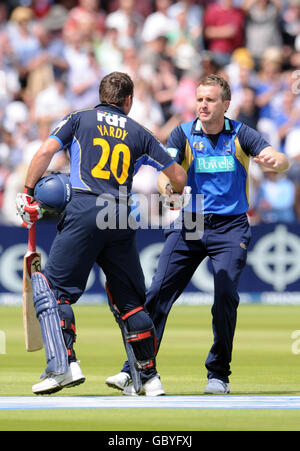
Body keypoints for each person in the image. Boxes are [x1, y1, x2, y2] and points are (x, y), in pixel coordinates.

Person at [106, 74, 290, 395]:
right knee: (158, 295)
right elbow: (168, 173)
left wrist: (279, 161)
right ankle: (135, 369)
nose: (203, 105)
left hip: (231, 225)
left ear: (225, 104)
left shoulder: (241, 134)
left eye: (210, 100)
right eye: (200, 99)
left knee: (224, 297)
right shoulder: (183, 132)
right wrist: (168, 192)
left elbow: (280, 158)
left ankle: (218, 374)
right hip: (192, 221)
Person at [15, 71, 187, 396]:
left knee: (54, 292)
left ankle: (64, 364)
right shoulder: (140, 132)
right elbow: (177, 176)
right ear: (129, 101)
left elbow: (43, 153)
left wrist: (27, 192)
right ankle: (149, 378)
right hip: (120, 213)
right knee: (131, 303)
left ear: (101, 95)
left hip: (84, 206)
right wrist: (174, 194)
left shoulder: (79, 118)